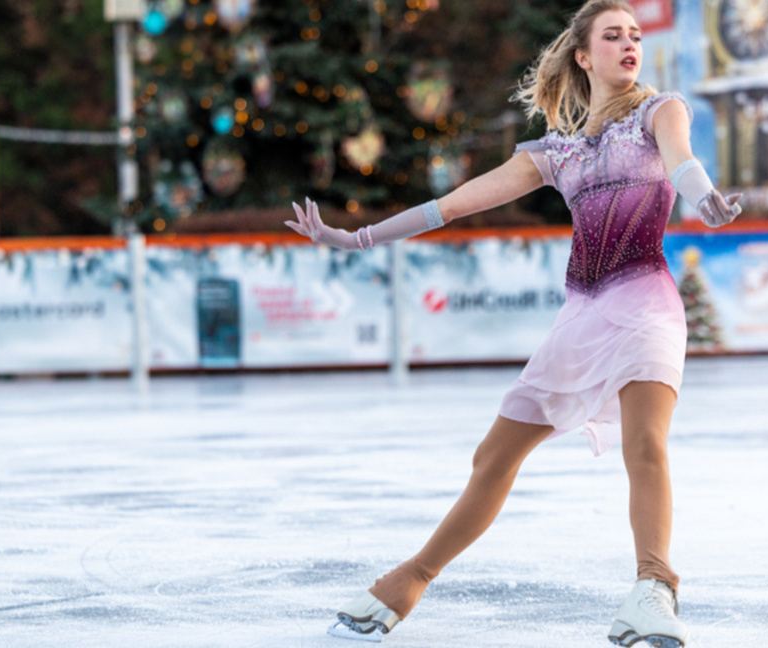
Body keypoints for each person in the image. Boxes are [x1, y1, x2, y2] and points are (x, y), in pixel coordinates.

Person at [284, 1, 741, 646]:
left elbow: (684, 163)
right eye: (613, 35)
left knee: (645, 445)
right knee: (493, 455)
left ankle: (654, 590)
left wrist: (706, 202)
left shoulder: (659, 111)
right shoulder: (556, 153)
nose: (629, 44)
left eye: (635, 35)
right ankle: (408, 580)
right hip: (580, 318)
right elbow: (450, 204)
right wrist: (355, 239)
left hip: (645, 304)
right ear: (584, 56)